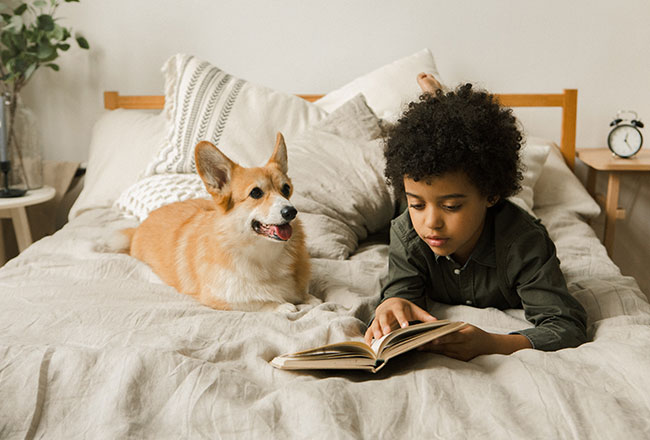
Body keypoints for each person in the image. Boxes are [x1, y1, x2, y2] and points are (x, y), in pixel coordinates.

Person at [364, 74, 588, 361]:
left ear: (491, 194)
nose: (431, 223)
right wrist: (394, 303)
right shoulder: (407, 230)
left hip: (502, 217)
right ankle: (438, 104)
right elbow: (402, 289)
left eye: (452, 206)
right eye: (417, 204)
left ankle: (441, 103)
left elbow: (566, 326)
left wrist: (493, 343)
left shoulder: (525, 243)